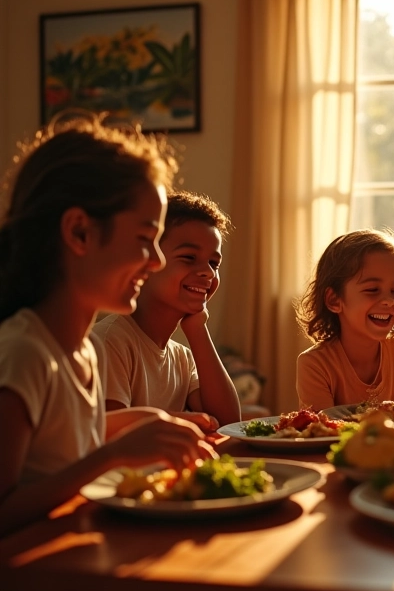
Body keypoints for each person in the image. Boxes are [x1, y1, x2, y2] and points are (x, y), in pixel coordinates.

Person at [0, 112, 216, 538]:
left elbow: (57, 442)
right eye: (144, 239)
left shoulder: (81, 351)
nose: (155, 261)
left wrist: (142, 421)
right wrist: (111, 455)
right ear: (79, 232)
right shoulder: (25, 353)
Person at [93, 190, 241, 430]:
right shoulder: (111, 341)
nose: (208, 272)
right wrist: (180, 420)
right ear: (149, 262)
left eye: (214, 263)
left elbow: (230, 424)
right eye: (189, 257)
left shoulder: (182, 358)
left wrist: (197, 329)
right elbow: (112, 433)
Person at [295, 228, 394, 409]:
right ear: (334, 300)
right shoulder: (314, 364)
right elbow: (322, 433)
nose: (389, 301)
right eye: (372, 290)